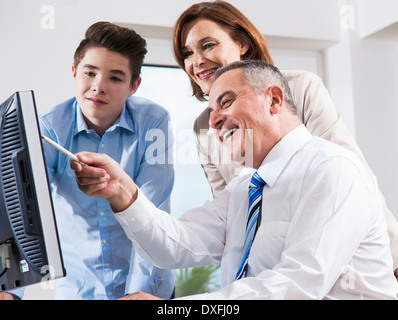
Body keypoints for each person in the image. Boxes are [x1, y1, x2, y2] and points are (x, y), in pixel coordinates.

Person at [71, 61, 398, 299]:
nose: (213, 120)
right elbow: (178, 244)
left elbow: (298, 286)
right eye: (210, 110)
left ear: (274, 100)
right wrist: (122, 191)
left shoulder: (332, 169)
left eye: (225, 101)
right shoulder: (245, 188)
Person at [171, 0, 398, 273]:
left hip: (331, 249)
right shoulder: (204, 127)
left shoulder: (300, 87)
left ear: (242, 43)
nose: (196, 61)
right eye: (187, 53)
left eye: (208, 45)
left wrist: (394, 253)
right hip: (271, 263)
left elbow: (354, 173)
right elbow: (231, 214)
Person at [0, 22, 174, 300]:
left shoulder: (154, 123)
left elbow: (154, 209)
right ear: (74, 72)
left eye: (115, 78)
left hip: (146, 285)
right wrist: (11, 290)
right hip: (79, 289)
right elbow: (21, 212)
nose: (98, 87)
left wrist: (141, 290)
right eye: (90, 73)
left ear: (134, 86)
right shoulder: (48, 127)